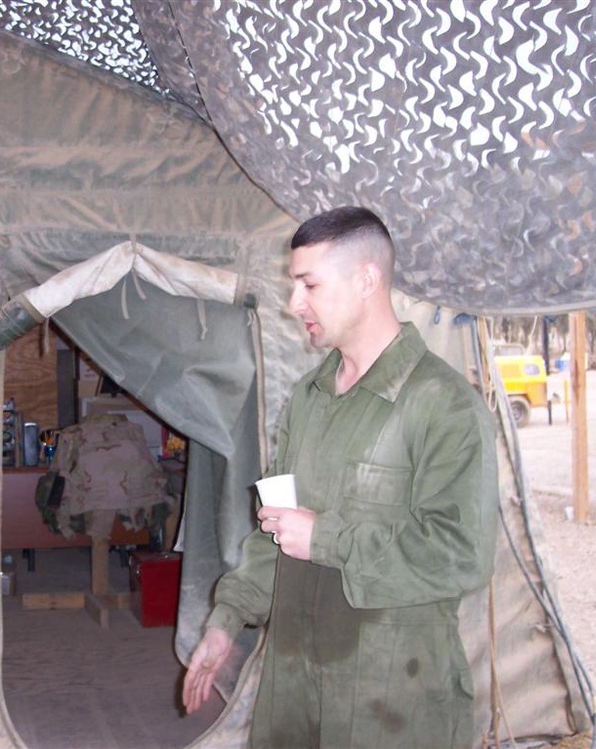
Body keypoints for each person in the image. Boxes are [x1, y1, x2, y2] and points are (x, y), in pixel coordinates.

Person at [182, 206, 499, 748]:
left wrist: (323, 537)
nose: (292, 304)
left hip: (391, 696)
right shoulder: (309, 399)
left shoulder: (444, 405)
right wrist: (227, 619)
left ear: (366, 280)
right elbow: (274, 530)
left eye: (308, 284)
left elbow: (462, 553)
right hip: (294, 685)